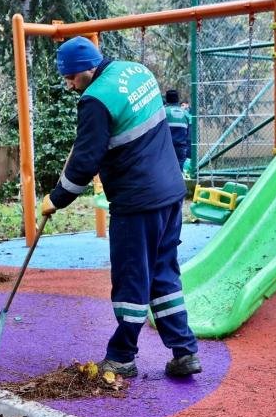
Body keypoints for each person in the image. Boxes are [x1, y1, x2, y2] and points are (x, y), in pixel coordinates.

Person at [40, 36, 201, 378]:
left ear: (86, 68)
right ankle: (185, 351)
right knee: (163, 274)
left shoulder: (95, 100)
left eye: (70, 77)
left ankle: (122, 357)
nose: (69, 85)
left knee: (131, 279)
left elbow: (84, 164)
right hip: (171, 194)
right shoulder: (137, 72)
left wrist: (56, 199)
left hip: (136, 201)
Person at [164, 89, 191, 170]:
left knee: (167, 170)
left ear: (167, 99)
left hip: (167, 148)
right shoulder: (186, 114)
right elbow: (189, 134)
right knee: (180, 171)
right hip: (181, 148)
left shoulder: (163, 112)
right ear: (178, 99)